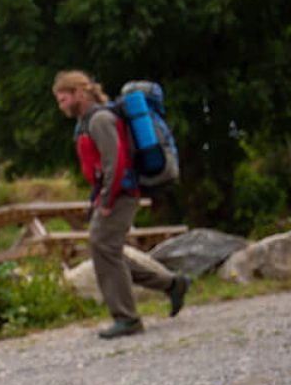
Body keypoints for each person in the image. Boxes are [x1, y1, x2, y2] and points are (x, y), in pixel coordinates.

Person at [52, 70, 189, 339]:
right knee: (107, 249)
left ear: (80, 93)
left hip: (121, 194)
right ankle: (172, 285)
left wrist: (107, 199)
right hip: (111, 193)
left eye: (63, 98)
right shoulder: (86, 121)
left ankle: (127, 318)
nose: (62, 106)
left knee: (102, 246)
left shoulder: (100, 119)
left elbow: (115, 162)